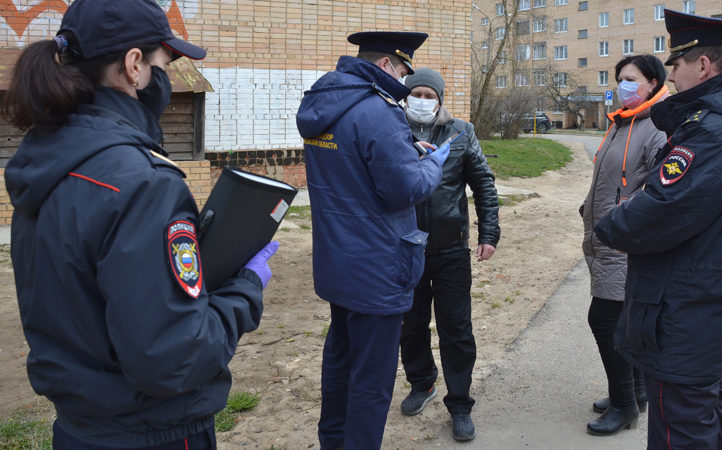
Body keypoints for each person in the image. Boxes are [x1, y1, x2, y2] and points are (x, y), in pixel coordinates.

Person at [1, 0, 280, 447]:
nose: (165, 79)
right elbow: (174, 360)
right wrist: (246, 287)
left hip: (79, 427)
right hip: (152, 431)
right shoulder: (145, 183)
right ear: (133, 65)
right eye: (163, 63)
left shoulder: (46, 159)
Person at [594, 9, 722, 449]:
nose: (672, 74)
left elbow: (654, 215)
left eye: (676, 64)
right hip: (712, 301)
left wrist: (611, 221)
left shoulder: (713, 134)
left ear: (703, 65)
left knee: (680, 425)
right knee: (705, 410)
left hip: (684, 309)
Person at [295, 32, 450, 449]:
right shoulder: (378, 111)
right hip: (378, 267)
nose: (403, 82)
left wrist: (403, 150)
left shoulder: (322, 103)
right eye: (402, 71)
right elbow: (404, 189)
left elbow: (353, 171)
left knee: (340, 365)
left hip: (338, 263)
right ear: (386, 66)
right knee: (372, 381)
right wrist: (432, 164)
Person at [397, 68, 500, 441]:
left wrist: (489, 232)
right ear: (406, 96)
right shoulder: (391, 129)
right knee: (410, 324)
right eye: (416, 93)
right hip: (405, 247)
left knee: (456, 329)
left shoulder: (461, 131)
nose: (422, 100)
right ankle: (422, 382)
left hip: (451, 247)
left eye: (429, 94)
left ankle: (459, 402)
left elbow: (483, 183)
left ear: (440, 98)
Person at [579, 54, 668, 436]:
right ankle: (636, 390)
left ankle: (624, 405)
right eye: (619, 79)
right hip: (607, 237)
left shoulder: (658, 127)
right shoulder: (623, 122)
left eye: (630, 79)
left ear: (652, 83)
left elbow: (658, 189)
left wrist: (620, 213)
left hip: (626, 242)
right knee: (624, 321)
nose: (622, 85)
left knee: (604, 320)